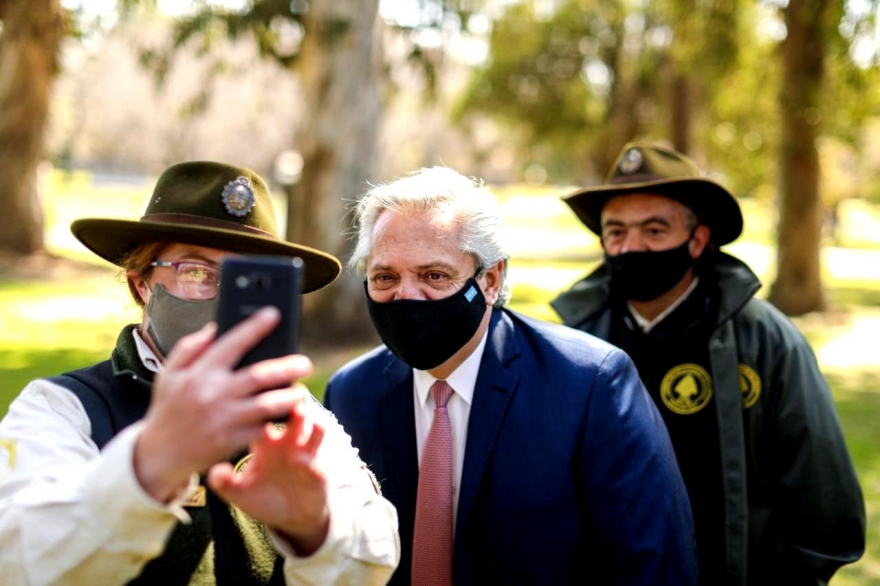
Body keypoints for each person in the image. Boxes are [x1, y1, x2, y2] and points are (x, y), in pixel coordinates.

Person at [0, 161, 400, 585]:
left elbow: (373, 563)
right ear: (141, 283)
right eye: (196, 272)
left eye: (248, 279)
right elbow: (19, 563)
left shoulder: (298, 413)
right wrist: (149, 465)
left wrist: (314, 530)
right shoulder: (64, 408)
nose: (223, 298)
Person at [323, 166, 698, 585]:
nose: (406, 296)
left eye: (434, 275)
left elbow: (654, 565)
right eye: (385, 277)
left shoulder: (590, 385)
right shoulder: (350, 393)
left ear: (490, 279)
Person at [552, 142, 867, 585]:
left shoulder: (766, 341)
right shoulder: (571, 341)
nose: (632, 247)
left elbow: (823, 509)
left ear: (697, 239)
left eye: (654, 231)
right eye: (617, 232)